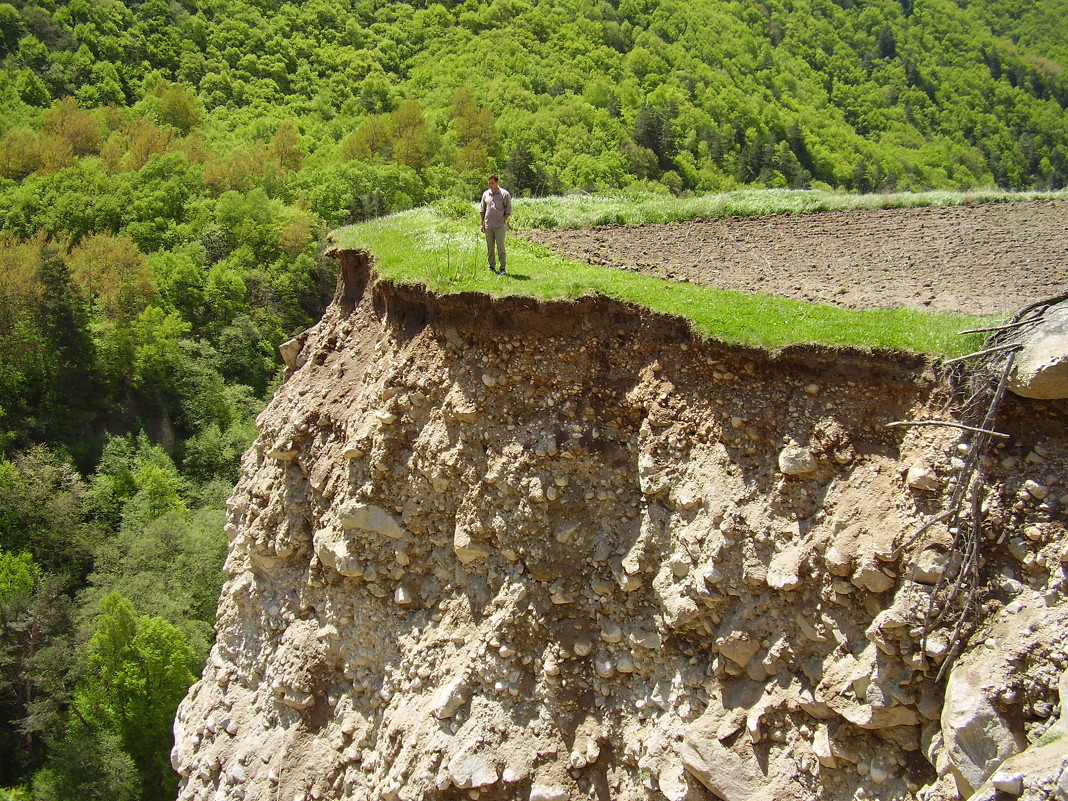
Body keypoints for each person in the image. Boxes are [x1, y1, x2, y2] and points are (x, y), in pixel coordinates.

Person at [479, 174, 511, 275]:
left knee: (500, 247)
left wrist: (503, 220)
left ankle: (502, 268)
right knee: (490, 247)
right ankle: (491, 266)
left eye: (492, 183)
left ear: (497, 182)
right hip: (488, 225)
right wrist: (482, 223)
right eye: (489, 183)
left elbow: (508, 209)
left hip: (499, 226)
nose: (490, 185)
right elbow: (482, 209)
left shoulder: (504, 194)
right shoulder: (486, 194)